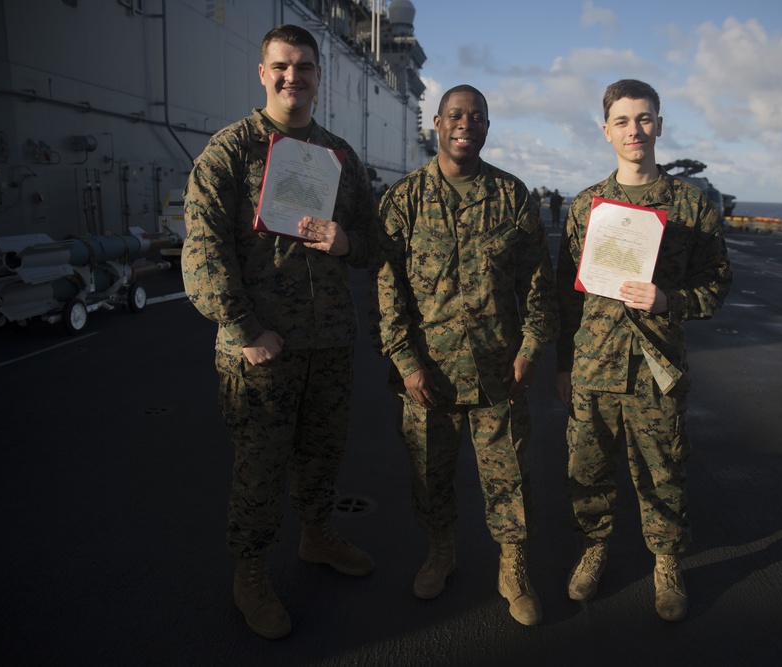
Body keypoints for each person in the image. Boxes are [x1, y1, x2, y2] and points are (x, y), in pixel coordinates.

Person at [181, 24, 376, 640]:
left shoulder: (340, 157)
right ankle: (251, 574)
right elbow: (202, 252)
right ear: (263, 73)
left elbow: (373, 243)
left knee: (323, 454)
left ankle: (317, 536)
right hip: (260, 347)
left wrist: (348, 242)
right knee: (260, 468)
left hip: (329, 342)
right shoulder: (230, 151)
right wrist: (244, 328)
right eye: (282, 67)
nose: (294, 77)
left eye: (306, 67)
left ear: (321, 77)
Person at [369, 85, 559, 626]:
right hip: (428, 378)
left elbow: (539, 283)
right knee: (429, 478)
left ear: (486, 126)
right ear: (436, 121)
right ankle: (441, 552)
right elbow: (386, 292)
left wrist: (530, 348)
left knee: (510, 480)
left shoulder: (512, 195)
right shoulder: (403, 199)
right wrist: (406, 362)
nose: (465, 125)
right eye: (455, 115)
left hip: (500, 372)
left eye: (476, 117)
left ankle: (513, 568)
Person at [555, 79, 732, 622]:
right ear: (606, 130)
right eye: (624, 121)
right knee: (587, 467)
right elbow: (566, 293)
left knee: (664, 469)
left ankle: (667, 561)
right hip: (593, 365)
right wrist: (563, 365)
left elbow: (717, 285)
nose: (636, 130)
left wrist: (669, 299)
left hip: (657, 366)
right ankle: (595, 547)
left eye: (645, 119)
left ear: (660, 123)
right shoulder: (586, 206)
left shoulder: (692, 206)